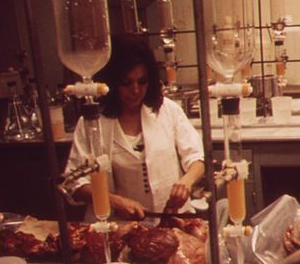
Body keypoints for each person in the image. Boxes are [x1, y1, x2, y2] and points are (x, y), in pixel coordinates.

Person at [64, 37, 205, 225]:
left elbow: (197, 158)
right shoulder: (92, 123)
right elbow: (74, 184)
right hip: (119, 226)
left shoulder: (167, 110)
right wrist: (113, 201)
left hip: (173, 220)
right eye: (126, 82)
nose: (136, 90)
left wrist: (186, 181)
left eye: (142, 81)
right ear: (111, 83)